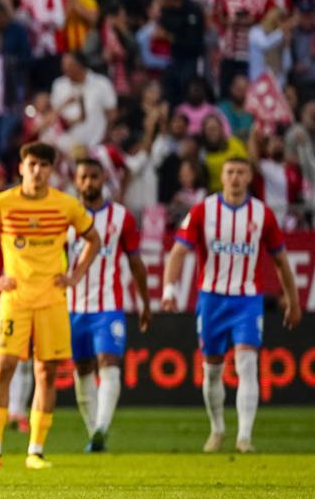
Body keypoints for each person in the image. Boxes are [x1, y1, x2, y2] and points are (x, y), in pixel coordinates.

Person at [0, 142, 102, 470]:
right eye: (32, 164)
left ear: (51, 170)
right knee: (3, 368)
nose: (37, 171)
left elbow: (93, 239)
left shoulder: (65, 205)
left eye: (44, 165)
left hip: (52, 299)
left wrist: (74, 276)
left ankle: (36, 451)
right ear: (21, 167)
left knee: (47, 372)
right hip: (15, 298)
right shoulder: (2, 203)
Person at [160, 158, 302, 453]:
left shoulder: (262, 214)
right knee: (212, 370)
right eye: (230, 172)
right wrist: (169, 290)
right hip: (212, 300)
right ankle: (217, 430)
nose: (235, 177)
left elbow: (281, 261)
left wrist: (293, 299)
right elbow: (177, 252)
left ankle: (244, 437)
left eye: (240, 172)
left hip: (247, 300)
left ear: (249, 177)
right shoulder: (203, 210)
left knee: (247, 364)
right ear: (222, 177)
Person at [67, 158, 150, 453]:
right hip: (72, 307)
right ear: (76, 181)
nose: (89, 182)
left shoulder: (121, 217)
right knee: (83, 368)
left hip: (109, 305)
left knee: (109, 363)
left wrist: (145, 302)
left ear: (103, 179)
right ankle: (94, 434)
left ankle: (101, 428)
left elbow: (136, 263)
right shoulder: (64, 216)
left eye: (94, 176)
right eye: (83, 177)